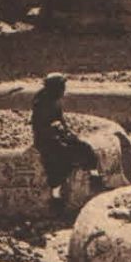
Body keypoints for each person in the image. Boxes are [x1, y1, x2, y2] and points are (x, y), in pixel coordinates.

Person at [31, 73, 102, 213]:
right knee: (59, 158)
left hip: (57, 135)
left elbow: (60, 119)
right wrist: (60, 135)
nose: (64, 90)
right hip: (46, 140)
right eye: (62, 87)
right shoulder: (42, 104)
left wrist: (69, 134)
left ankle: (95, 176)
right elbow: (42, 129)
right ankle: (56, 194)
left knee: (84, 146)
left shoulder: (54, 100)